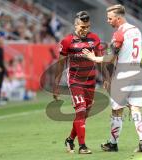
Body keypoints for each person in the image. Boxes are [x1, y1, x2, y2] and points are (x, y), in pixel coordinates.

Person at [83, 4, 142, 152]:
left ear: (118, 19)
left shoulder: (119, 34)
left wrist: (94, 58)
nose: (108, 20)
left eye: (110, 18)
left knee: (117, 111)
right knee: (136, 109)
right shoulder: (136, 30)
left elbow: (110, 57)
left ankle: (113, 144)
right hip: (136, 73)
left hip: (123, 75)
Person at [53, 11, 103, 154]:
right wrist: (56, 86)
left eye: (87, 26)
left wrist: (106, 78)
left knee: (84, 113)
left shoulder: (95, 39)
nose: (85, 29)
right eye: (82, 27)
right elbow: (60, 64)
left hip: (91, 80)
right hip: (75, 81)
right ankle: (82, 146)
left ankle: (70, 139)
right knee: (80, 110)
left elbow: (100, 60)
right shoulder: (67, 41)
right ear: (75, 25)